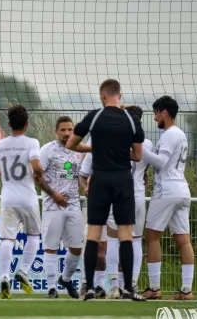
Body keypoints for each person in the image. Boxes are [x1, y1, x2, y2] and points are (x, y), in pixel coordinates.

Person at [66, 79, 145, 301]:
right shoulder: (131, 119)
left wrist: (94, 147)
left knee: (93, 233)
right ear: (119, 96)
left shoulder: (95, 116)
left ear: (102, 96)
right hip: (123, 180)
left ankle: (90, 288)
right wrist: (120, 152)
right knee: (126, 235)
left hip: (99, 179)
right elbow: (138, 155)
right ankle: (128, 289)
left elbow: (71, 144)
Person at [0, 104, 43, 299]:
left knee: (7, 240)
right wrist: (39, 175)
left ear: (9, 124)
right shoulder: (31, 142)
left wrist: (3, 172)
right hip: (28, 198)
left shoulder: (0, 145)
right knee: (33, 236)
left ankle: (4, 277)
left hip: (8, 198)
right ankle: (23, 271)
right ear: (27, 124)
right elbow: (36, 164)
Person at [141, 96, 195, 300]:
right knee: (183, 240)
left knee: (152, 237)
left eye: (156, 113)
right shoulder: (180, 134)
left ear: (164, 112)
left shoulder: (169, 135)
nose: (154, 118)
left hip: (167, 191)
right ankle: (186, 290)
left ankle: (154, 288)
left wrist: (141, 151)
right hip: (182, 189)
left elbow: (161, 162)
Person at [104, 105, 153, 298]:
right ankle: (131, 286)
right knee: (136, 240)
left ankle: (115, 286)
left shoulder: (112, 139)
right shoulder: (146, 143)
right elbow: (146, 170)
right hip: (137, 195)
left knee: (114, 239)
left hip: (115, 192)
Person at [36, 116, 83, 299]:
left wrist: (85, 186)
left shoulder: (79, 151)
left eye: (70, 130)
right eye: (63, 130)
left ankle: (66, 278)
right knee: (51, 247)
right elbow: (37, 177)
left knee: (77, 246)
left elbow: (77, 174)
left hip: (73, 205)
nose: (67, 133)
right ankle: (51, 288)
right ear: (56, 131)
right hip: (52, 205)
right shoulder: (47, 150)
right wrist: (54, 194)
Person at [78, 148, 109, 299]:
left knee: (105, 247)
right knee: (90, 242)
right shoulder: (93, 148)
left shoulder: (123, 145)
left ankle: (101, 286)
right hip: (96, 203)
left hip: (116, 203)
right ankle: (86, 283)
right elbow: (82, 175)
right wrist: (85, 188)